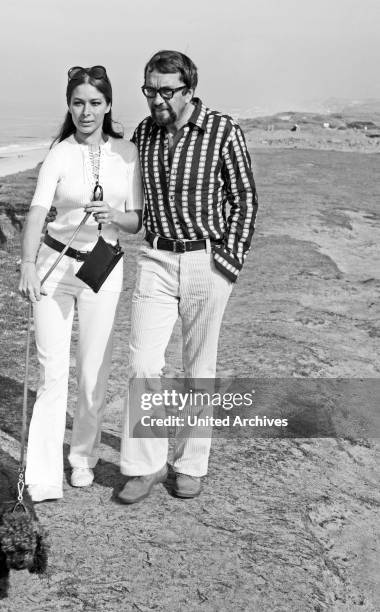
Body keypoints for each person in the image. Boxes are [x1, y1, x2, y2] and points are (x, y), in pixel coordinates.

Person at [118, 50, 258, 504]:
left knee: (199, 369)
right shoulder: (144, 133)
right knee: (143, 363)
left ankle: (190, 465)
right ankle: (147, 465)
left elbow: (245, 201)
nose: (156, 99)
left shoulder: (223, 131)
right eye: (149, 90)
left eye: (166, 91)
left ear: (189, 90)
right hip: (155, 259)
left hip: (206, 261)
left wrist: (227, 266)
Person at [19, 65, 143, 503]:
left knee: (93, 373)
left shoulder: (127, 154)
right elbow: (37, 213)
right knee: (54, 376)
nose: (85, 112)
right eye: (77, 103)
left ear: (108, 105)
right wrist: (28, 265)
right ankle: (43, 474)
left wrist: (114, 215)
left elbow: (136, 219)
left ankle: (82, 460)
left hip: (102, 269)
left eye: (94, 103)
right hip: (56, 266)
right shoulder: (59, 153)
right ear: (68, 106)